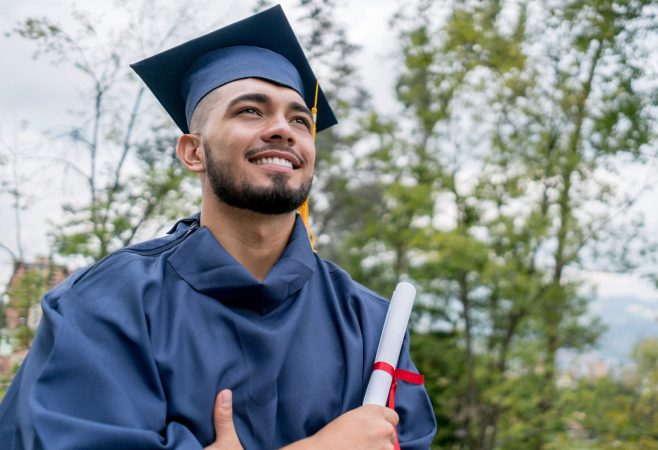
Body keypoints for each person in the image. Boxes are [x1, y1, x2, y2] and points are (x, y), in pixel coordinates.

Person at [0, 5, 436, 449]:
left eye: (300, 119)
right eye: (251, 111)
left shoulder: (370, 324)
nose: (283, 130)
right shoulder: (106, 306)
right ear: (193, 153)